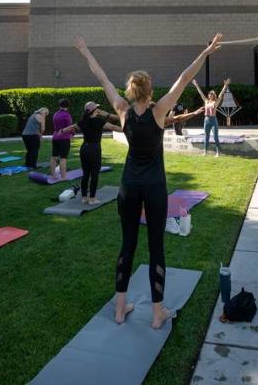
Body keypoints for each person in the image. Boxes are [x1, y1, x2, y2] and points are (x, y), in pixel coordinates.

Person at [74, 33, 223, 329]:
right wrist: (205, 52)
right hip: (154, 187)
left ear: (130, 91)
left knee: (127, 245)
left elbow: (102, 78)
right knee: (156, 247)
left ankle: (120, 309)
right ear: (150, 89)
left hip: (128, 186)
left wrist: (86, 52)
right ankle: (157, 314)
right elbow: (184, 78)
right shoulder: (158, 111)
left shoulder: (122, 110)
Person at [61, 102, 122, 204]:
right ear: (95, 110)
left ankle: (84, 197)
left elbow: (72, 127)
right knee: (94, 175)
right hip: (94, 149)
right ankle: (92, 198)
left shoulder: (83, 120)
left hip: (84, 149)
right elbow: (113, 127)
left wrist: (62, 131)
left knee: (85, 174)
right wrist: (127, 130)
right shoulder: (99, 121)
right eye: (97, 108)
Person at [192, 78, 230, 156]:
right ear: (208, 95)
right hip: (206, 120)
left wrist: (225, 85)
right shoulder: (206, 101)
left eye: (212, 94)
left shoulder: (216, 102)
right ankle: (205, 152)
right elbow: (201, 93)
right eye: (209, 94)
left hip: (213, 120)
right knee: (206, 136)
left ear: (213, 95)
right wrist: (196, 85)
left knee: (215, 137)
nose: (210, 95)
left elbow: (221, 94)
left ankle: (218, 153)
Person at [50, 100, 74, 181]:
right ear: (68, 106)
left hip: (55, 137)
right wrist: (72, 134)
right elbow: (70, 127)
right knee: (63, 158)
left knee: (54, 157)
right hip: (64, 138)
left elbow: (55, 126)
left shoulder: (55, 114)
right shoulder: (67, 115)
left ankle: (53, 175)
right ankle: (63, 177)